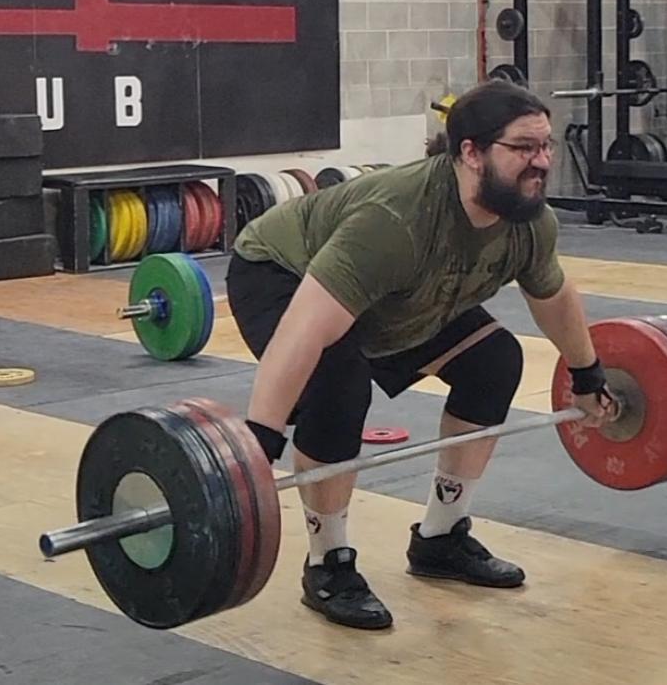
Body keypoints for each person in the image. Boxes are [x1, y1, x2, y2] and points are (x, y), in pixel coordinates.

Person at [225, 80, 617, 631]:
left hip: (398, 293)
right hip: (281, 272)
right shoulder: (397, 220)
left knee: (495, 361)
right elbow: (305, 330)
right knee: (337, 386)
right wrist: (259, 439)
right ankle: (328, 562)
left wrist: (586, 371)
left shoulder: (527, 223)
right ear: (471, 152)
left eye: (546, 146)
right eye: (524, 148)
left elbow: (551, 294)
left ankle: (440, 538)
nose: (542, 162)